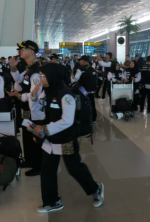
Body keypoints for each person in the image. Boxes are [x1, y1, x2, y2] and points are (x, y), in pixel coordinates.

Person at [32, 63, 104, 213]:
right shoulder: (48, 92)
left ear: (53, 76)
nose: (41, 79)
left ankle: (95, 188)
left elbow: (67, 121)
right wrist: (39, 131)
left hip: (65, 139)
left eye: (43, 76)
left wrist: (44, 129)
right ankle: (52, 201)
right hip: (49, 138)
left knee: (74, 168)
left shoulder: (66, 95)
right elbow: (46, 113)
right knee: (47, 170)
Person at [7, 40, 44, 177]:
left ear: (32, 51)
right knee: (27, 137)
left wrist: (20, 95)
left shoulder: (36, 71)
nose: (20, 51)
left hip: (35, 112)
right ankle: (30, 160)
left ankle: (38, 165)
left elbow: (36, 94)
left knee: (36, 139)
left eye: (23, 49)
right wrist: (13, 67)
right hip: (27, 110)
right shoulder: (29, 68)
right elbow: (19, 79)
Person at [74, 55, 98, 124]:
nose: (80, 62)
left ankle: (85, 118)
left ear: (83, 61)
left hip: (83, 91)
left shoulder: (80, 69)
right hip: (92, 91)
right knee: (92, 104)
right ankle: (93, 119)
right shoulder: (92, 68)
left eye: (80, 60)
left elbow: (76, 79)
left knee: (83, 104)